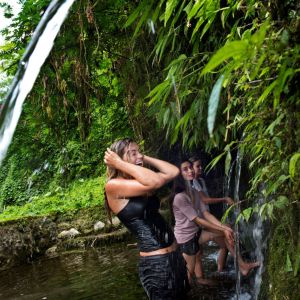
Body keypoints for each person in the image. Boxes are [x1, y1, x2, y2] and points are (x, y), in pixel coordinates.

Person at [104, 138, 190, 300]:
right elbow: (156, 180)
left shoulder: (139, 182)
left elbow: (173, 172)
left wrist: (142, 157)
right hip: (157, 264)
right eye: (132, 153)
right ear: (118, 160)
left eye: (140, 152)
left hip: (175, 257)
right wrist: (120, 164)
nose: (139, 156)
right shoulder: (114, 186)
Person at [168, 157, 259, 284]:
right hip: (185, 240)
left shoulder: (194, 191)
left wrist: (225, 228)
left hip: (196, 233)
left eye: (190, 167)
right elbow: (198, 219)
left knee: (227, 228)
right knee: (188, 278)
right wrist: (222, 229)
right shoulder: (179, 197)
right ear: (179, 174)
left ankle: (242, 265)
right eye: (185, 169)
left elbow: (206, 213)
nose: (190, 170)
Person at [189, 156, 234, 278]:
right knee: (198, 254)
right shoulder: (192, 184)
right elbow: (205, 201)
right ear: (191, 168)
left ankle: (219, 272)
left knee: (223, 244)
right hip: (199, 224)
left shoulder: (201, 181)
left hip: (205, 219)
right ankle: (199, 280)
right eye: (197, 166)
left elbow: (207, 201)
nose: (200, 168)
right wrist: (224, 199)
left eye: (200, 165)